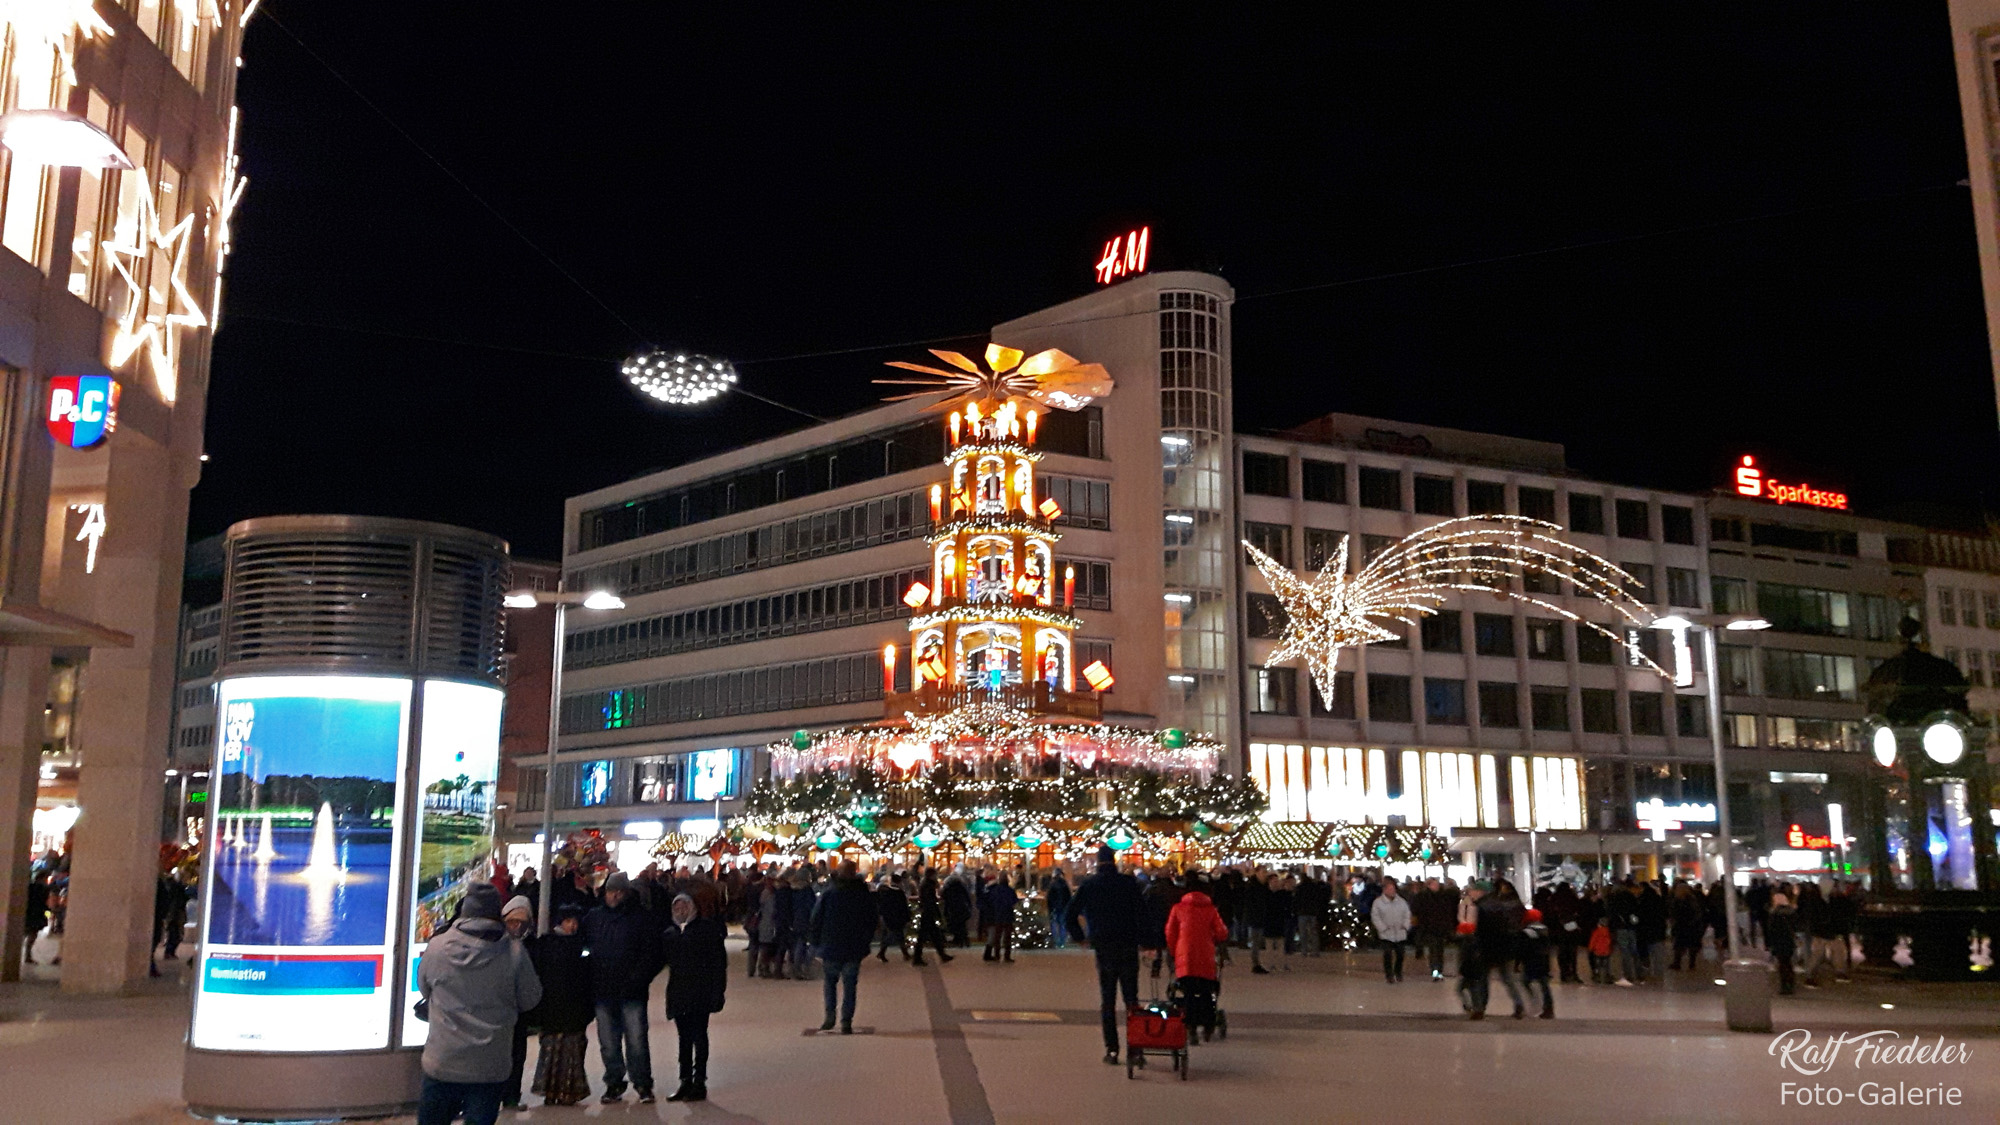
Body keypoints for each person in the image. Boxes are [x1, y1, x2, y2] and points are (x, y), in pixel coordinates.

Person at [416, 883, 542, 1125]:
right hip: (490, 1063)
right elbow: (530, 999)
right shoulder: (515, 952)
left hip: (443, 1059)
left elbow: (424, 987)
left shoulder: (438, 948)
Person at [582, 872, 664, 1104]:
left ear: (626, 893)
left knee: (636, 1041)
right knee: (608, 1043)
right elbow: (584, 948)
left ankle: (642, 1083)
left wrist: (639, 978)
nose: (614, 896)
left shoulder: (640, 918)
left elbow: (653, 953)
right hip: (603, 990)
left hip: (632, 991)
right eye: (611, 891)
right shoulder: (594, 918)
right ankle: (614, 1082)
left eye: (619, 891)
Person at [1064, 845, 1146, 1067]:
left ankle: (1112, 1049)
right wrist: (1146, 941)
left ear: (1098, 862)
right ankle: (1136, 1047)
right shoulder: (1128, 883)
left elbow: (1070, 914)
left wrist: (1081, 937)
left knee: (1108, 999)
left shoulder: (1090, 885)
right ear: (1114, 860)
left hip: (1104, 945)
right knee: (1131, 998)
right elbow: (1142, 913)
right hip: (1128, 944)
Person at [526, 903, 594, 1107]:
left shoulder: (581, 944)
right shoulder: (547, 944)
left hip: (575, 1007)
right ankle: (550, 1089)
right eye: (568, 921)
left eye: (575, 922)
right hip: (552, 1006)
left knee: (572, 1049)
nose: (572, 926)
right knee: (552, 1048)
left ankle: (568, 1090)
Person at [663, 892, 727, 1101]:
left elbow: (718, 963)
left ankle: (699, 1081)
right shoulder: (670, 933)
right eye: (677, 907)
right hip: (679, 992)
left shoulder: (706, 930)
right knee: (684, 1038)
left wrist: (718, 991)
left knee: (699, 1036)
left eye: (684, 906)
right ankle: (685, 1081)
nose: (681, 911)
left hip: (700, 992)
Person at [809, 860, 877, 1033]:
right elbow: (871, 919)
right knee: (850, 985)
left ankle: (830, 1016)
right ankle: (846, 1020)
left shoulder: (829, 892)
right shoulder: (861, 893)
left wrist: (815, 942)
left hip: (830, 944)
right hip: (854, 946)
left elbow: (816, 918)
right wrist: (866, 940)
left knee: (830, 983)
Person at [1164, 873, 1227, 1041]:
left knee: (1189, 993)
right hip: (1206, 957)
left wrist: (1174, 952)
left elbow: (1170, 933)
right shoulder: (1211, 910)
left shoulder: (1177, 909)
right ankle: (1208, 1026)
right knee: (1206, 992)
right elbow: (1222, 932)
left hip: (1185, 957)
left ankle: (1191, 1028)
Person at [499, 896, 536, 1107]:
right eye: (513, 922)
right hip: (499, 1008)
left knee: (517, 1053)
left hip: (519, 1010)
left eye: (522, 923)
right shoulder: (497, 944)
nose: (517, 927)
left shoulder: (530, 946)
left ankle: (511, 1095)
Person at [1371, 878, 1412, 983]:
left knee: (1400, 954)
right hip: (1386, 933)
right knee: (1387, 954)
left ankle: (1398, 972)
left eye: (1393, 889)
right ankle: (1389, 975)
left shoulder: (1401, 902)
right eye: (1390, 889)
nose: (1392, 891)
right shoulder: (1378, 903)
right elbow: (1375, 917)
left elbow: (1407, 914)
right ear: (1385, 890)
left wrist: (1405, 926)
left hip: (1400, 932)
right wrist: (1382, 928)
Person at [914, 867, 954, 966]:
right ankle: (918, 957)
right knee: (926, 935)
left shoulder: (926, 884)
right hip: (928, 913)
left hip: (927, 912)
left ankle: (941, 954)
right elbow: (930, 899)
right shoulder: (929, 885)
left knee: (932, 935)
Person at [1520, 907, 1554, 1018]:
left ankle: (1534, 1001)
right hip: (1543, 961)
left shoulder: (1527, 932)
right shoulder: (1545, 929)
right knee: (1544, 985)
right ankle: (1549, 1008)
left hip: (1531, 961)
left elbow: (1523, 948)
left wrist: (1519, 962)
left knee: (1525, 981)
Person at [1766, 888, 1799, 995]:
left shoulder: (1774, 913)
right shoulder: (1791, 912)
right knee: (1788, 963)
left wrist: (1770, 943)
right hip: (1789, 940)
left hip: (1779, 941)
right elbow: (1795, 926)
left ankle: (1785, 985)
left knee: (1782, 964)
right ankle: (1790, 983)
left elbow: (1771, 929)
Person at [875, 873, 912, 961]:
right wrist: (907, 918)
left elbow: (883, 905)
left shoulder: (886, 892)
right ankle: (882, 952)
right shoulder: (899, 893)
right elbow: (903, 907)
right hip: (898, 917)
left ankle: (904, 954)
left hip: (888, 917)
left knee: (898, 935)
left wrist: (882, 915)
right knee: (895, 934)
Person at [983, 873, 1020, 963]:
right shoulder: (1010, 890)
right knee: (1007, 937)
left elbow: (990, 901)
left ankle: (997, 955)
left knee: (997, 937)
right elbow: (1014, 901)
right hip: (1008, 915)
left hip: (998, 915)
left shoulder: (995, 890)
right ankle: (1007, 956)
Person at [22, 870, 49, 965]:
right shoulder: (43, 888)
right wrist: (48, 910)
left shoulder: (29, 886)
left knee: (25, 933)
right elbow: (44, 902)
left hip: (28, 912)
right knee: (32, 934)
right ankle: (28, 955)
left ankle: (26, 954)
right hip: (37, 913)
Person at [942, 868, 973, 948]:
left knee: (955, 925)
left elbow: (944, 896)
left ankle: (959, 940)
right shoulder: (962, 886)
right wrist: (969, 907)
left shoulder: (948, 887)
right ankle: (965, 941)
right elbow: (967, 897)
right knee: (962, 925)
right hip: (962, 908)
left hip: (952, 909)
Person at [1045, 867, 1073, 949]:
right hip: (1063, 907)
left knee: (1054, 924)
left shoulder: (1052, 885)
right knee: (1062, 924)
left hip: (1054, 907)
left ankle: (1056, 941)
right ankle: (1062, 941)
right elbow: (1069, 897)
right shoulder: (1064, 884)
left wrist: (1050, 908)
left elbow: (1049, 898)